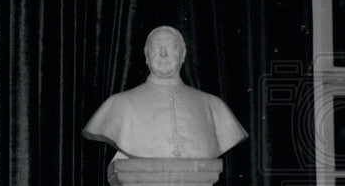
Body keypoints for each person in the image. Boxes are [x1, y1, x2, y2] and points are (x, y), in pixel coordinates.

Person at [82, 26, 248, 159]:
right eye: (156, 47)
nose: (163, 54)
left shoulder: (213, 105)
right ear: (146, 56)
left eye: (171, 46)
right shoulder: (118, 104)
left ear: (183, 54)